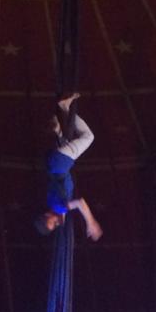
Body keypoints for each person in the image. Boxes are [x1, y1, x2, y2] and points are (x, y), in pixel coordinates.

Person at [36, 92, 102, 241]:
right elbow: (63, 212)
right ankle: (58, 130)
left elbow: (80, 203)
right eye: (54, 225)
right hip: (56, 163)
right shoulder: (53, 203)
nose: (57, 223)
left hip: (60, 162)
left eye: (52, 222)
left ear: (47, 215)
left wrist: (91, 223)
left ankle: (65, 108)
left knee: (88, 136)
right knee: (67, 140)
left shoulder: (58, 207)